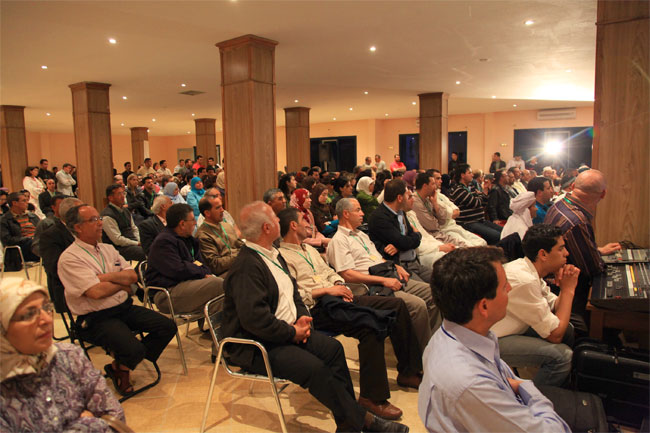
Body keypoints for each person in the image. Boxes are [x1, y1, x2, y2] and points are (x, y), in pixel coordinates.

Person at [222, 201, 408, 433]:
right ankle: (364, 421)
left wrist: (302, 318)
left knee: (333, 349)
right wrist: (292, 332)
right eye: (275, 218)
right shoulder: (247, 266)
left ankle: (349, 424)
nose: (280, 220)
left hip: (285, 330)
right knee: (315, 368)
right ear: (266, 228)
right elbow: (255, 320)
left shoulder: (272, 255)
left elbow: (294, 292)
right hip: (258, 344)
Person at [278, 208, 423, 420]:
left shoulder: (308, 249)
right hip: (317, 308)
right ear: (293, 225)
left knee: (396, 305)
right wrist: (328, 290)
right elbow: (295, 295)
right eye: (303, 220)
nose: (308, 224)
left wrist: (338, 285)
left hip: (338, 296)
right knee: (369, 325)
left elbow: (329, 272)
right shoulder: (282, 257)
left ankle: (409, 371)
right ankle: (372, 398)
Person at [418, 247, 571, 433]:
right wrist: (528, 388)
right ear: (484, 306)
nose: (510, 288)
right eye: (504, 286)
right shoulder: (470, 383)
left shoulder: (457, 334)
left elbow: (507, 380)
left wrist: (515, 386)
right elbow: (554, 430)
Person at [58, 204, 176, 396]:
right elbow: (95, 292)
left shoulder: (107, 249)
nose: (100, 223)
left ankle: (121, 366)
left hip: (123, 307)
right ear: (78, 227)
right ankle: (128, 360)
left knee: (167, 326)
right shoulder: (70, 258)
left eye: (99, 218)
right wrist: (120, 284)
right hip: (96, 317)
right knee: (134, 349)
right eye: (93, 220)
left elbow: (132, 276)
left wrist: (103, 278)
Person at [0, 278, 126, 432]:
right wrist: (87, 424)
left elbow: (115, 417)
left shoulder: (69, 356)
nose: (46, 319)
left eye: (46, 307)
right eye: (29, 314)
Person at [328, 198, 434, 351]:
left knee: (432, 293)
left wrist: (395, 266)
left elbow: (378, 258)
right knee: (417, 305)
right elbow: (347, 275)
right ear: (346, 214)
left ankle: (433, 343)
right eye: (358, 210)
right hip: (374, 287)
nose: (362, 213)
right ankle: (422, 352)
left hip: (388, 274)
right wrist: (383, 280)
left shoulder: (361, 235)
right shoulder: (339, 240)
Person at [493, 224, 579, 387]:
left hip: (513, 328)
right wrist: (568, 290)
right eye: (561, 249)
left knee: (568, 329)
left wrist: (564, 285)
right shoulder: (525, 280)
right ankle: (533, 399)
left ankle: (564, 386)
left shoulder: (528, 268)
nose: (566, 253)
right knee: (563, 357)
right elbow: (555, 335)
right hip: (493, 339)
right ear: (543, 254)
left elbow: (554, 305)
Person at [544, 169, 621, 320]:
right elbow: (593, 268)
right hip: (564, 290)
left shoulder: (559, 205)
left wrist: (597, 251)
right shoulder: (577, 222)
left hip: (549, 282)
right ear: (603, 194)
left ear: (573, 186)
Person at [145, 203, 224, 317]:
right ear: (182, 224)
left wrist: (199, 270)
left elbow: (202, 265)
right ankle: (223, 323)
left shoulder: (190, 240)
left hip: (189, 283)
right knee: (217, 284)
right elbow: (178, 270)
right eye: (192, 220)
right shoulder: (164, 242)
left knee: (231, 279)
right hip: (167, 293)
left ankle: (221, 323)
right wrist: (200, 272)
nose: (195, 223)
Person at [368, 179, 432, 283]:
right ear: (399, 198)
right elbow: (403, 241)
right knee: (429, 289)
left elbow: (410, 240)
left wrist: (415, 236)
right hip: (398, 266)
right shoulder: (379, 217)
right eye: (408, 196)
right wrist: (415, 235)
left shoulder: (400, 212)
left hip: (413, 262)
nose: (411, 199)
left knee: (444, 279)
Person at [448, 164, 502, 245]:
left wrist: (483, 192)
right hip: (468, 223)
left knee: (503, 231)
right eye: (469, 173)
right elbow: (477, 203)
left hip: (479, 220)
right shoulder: (458, 190)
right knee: (496, 236)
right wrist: (483, 193)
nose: (472, 175)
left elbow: (483, 203)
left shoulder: (470, 187)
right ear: (462, 175)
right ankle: (492, 251)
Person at [196, 196, 243, 276]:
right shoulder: (203, 235)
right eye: (218, 208)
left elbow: (241, 246)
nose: (222, 210)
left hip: (239, 264)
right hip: (225, 273)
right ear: (207, 213)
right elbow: (215, 265)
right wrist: (240, 255)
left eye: (222, 206)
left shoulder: (226, 226)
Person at [101, 184, 146, 262]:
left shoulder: (125, 210)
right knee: (147, 252)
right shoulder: (107, 215)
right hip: (118, 248)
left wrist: (139, 241)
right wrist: (137, 243)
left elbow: (134, 228)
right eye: (119, 194)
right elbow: (117, 240)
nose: (123, 196)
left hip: (132, 243)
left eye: (123, 193)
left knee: (153, 247)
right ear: (110, 198)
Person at [0, 192, 40, 271]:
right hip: (21, 248)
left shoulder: (32, 216)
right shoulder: (5, 220)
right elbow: (7, 240)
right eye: (24, 201)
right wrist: (28, 238)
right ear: (15, 203)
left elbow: (42, 230)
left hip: (37, 242)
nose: (27, 203)